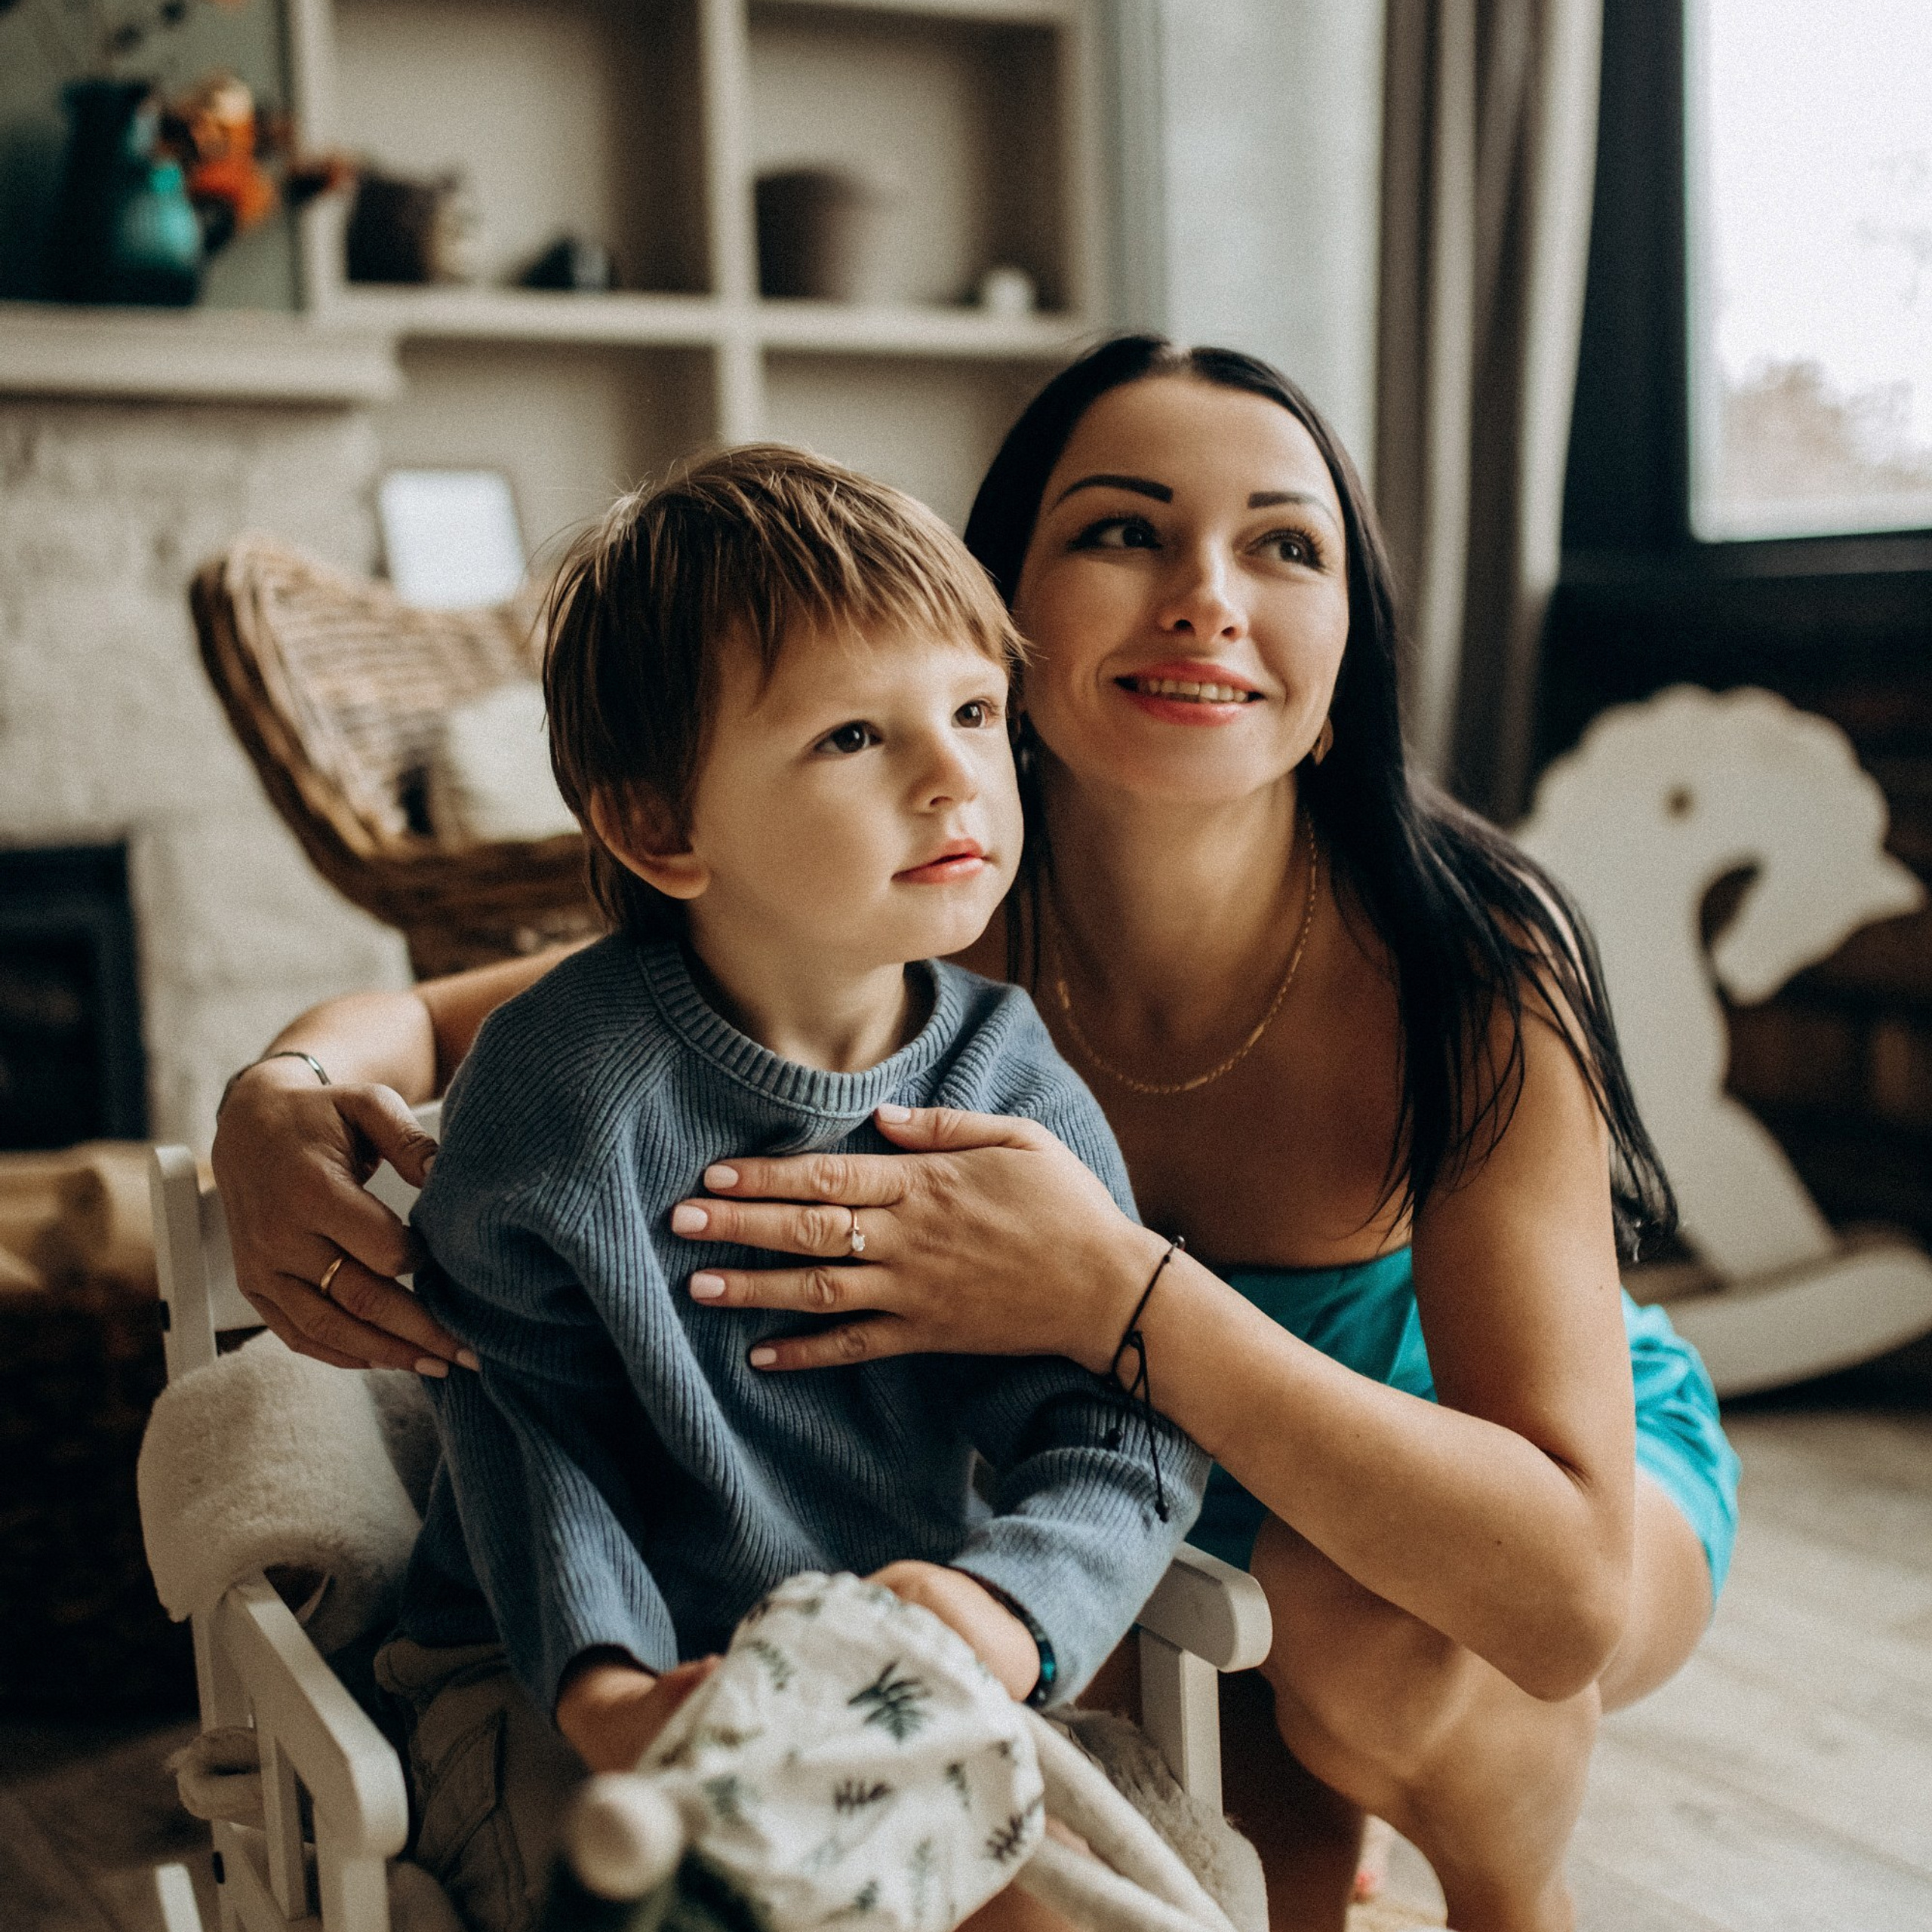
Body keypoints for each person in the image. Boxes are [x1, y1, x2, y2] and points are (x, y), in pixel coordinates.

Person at [214, 339, 1739, 1932]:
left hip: (1464, 1478)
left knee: (1370, 1636)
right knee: (1219, 1888)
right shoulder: (923, 910)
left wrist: (1116, 1293)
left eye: (1284, 543)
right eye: (1121, 531)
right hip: (1109, 1495)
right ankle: (1308, 1787)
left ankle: (1518, 1889)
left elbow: (1560, 1593)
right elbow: (470, 1021)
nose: (1205, 594)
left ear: (1347, 636)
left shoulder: (1464, 958)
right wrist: (278, 1098)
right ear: (994, 599)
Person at [370, 445, 1203, 1932]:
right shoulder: (560, 1089)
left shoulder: (1010, 1095)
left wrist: (1005, 1607)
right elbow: (520, 1426)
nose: (953, 772)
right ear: (660, 828)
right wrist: (611, 1685)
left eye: (969, 711)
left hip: (880, 1671)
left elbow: (1122, 1416)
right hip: (549, 1671)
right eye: (850, 737)